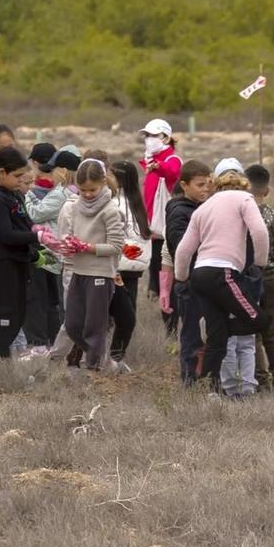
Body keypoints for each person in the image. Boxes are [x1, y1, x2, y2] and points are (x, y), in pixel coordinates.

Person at [175, 162, 268, 395]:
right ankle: (220, 329)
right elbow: (259, 231)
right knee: (259, 321)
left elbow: (184, 249)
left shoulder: (204, 207)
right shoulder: (245, 199)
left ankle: (211, 391)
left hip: (199, 274)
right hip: (223, 272)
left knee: (217, 342)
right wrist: (260, 263)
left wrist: (181, 277)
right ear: (245, 186)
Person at [51, 158, 129, 374]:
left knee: (95, 327)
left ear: (103, 182)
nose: (87, 194)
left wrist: (88, 247)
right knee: (74, 324)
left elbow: (116, 246)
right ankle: (100, 361)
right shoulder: (75, 207)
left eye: (92, 189)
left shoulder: (110, 210)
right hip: (77, 270)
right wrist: (67, 245)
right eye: (82, 190)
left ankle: (93, 369)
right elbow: (72, 234)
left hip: (100, 274)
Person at [0, 148, 38, 362]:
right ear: (2, 173)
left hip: (16, 262)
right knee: (4, 317)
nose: (21, 181)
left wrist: (37, 239)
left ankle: (3, 361)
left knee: (17, 315)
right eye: (17, 176)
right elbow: (6, 235)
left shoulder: (11, 195)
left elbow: (24, 224)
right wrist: (36, 237)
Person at [23, 146, 75, 353]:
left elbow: (36, 214)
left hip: (51, 251)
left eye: (53, 169)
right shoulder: (67, 191)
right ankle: (55, 342)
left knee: (48, 300)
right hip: (59, 251)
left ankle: (44, 343)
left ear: (62, 170)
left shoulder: (61, 193)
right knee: (55, 301)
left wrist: (27, 195)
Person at [165, 161, 213, 384]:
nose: (206, 189)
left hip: (206, 280)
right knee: (192, 334)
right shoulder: (179, 211)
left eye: (209, 184)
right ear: (184, 185)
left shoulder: (202, 208)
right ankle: (190, 381)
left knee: (208, 333)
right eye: (200, 184)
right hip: (190, 282)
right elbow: (180, 246)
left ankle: (206, 378)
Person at [243, 164, 274, 393]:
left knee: (253, 332)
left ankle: (261, 381)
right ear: (267, 190)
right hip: (270, 278)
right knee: (272, 331)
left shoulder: (240, 215)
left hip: (246, 279)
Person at [105, 159, 150, 370]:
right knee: (124, 316)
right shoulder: (132, 204)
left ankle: (114, 357)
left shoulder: (118, 204)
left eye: (110, 174)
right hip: (125, 268)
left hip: (125, 268)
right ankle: (111, 356)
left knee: (124, 316)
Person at [139, 120, 181, 309]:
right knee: (155, 264)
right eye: (146, 136)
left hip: (165, 227)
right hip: (153, 227)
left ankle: (170, 307)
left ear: (165, 137)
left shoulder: (172, 160)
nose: (149, 139)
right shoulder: (151, 163)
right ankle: (160, 298)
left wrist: (157, 166)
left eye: (153, 135)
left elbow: (171, 172)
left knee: (165, 266)